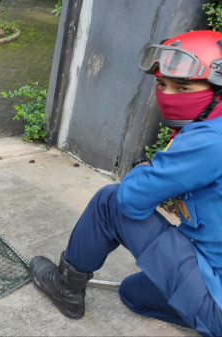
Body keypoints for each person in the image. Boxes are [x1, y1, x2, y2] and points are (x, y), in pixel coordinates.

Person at [29, 30, 222, 336]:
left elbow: (132, 199)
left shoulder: (209, 140)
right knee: (132, 294)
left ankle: (66, 289)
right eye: (161, 85)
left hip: (216, 292)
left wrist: (143, 172)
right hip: (211, 278)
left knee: (110, 201)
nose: (169, 95)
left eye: (183, 87)